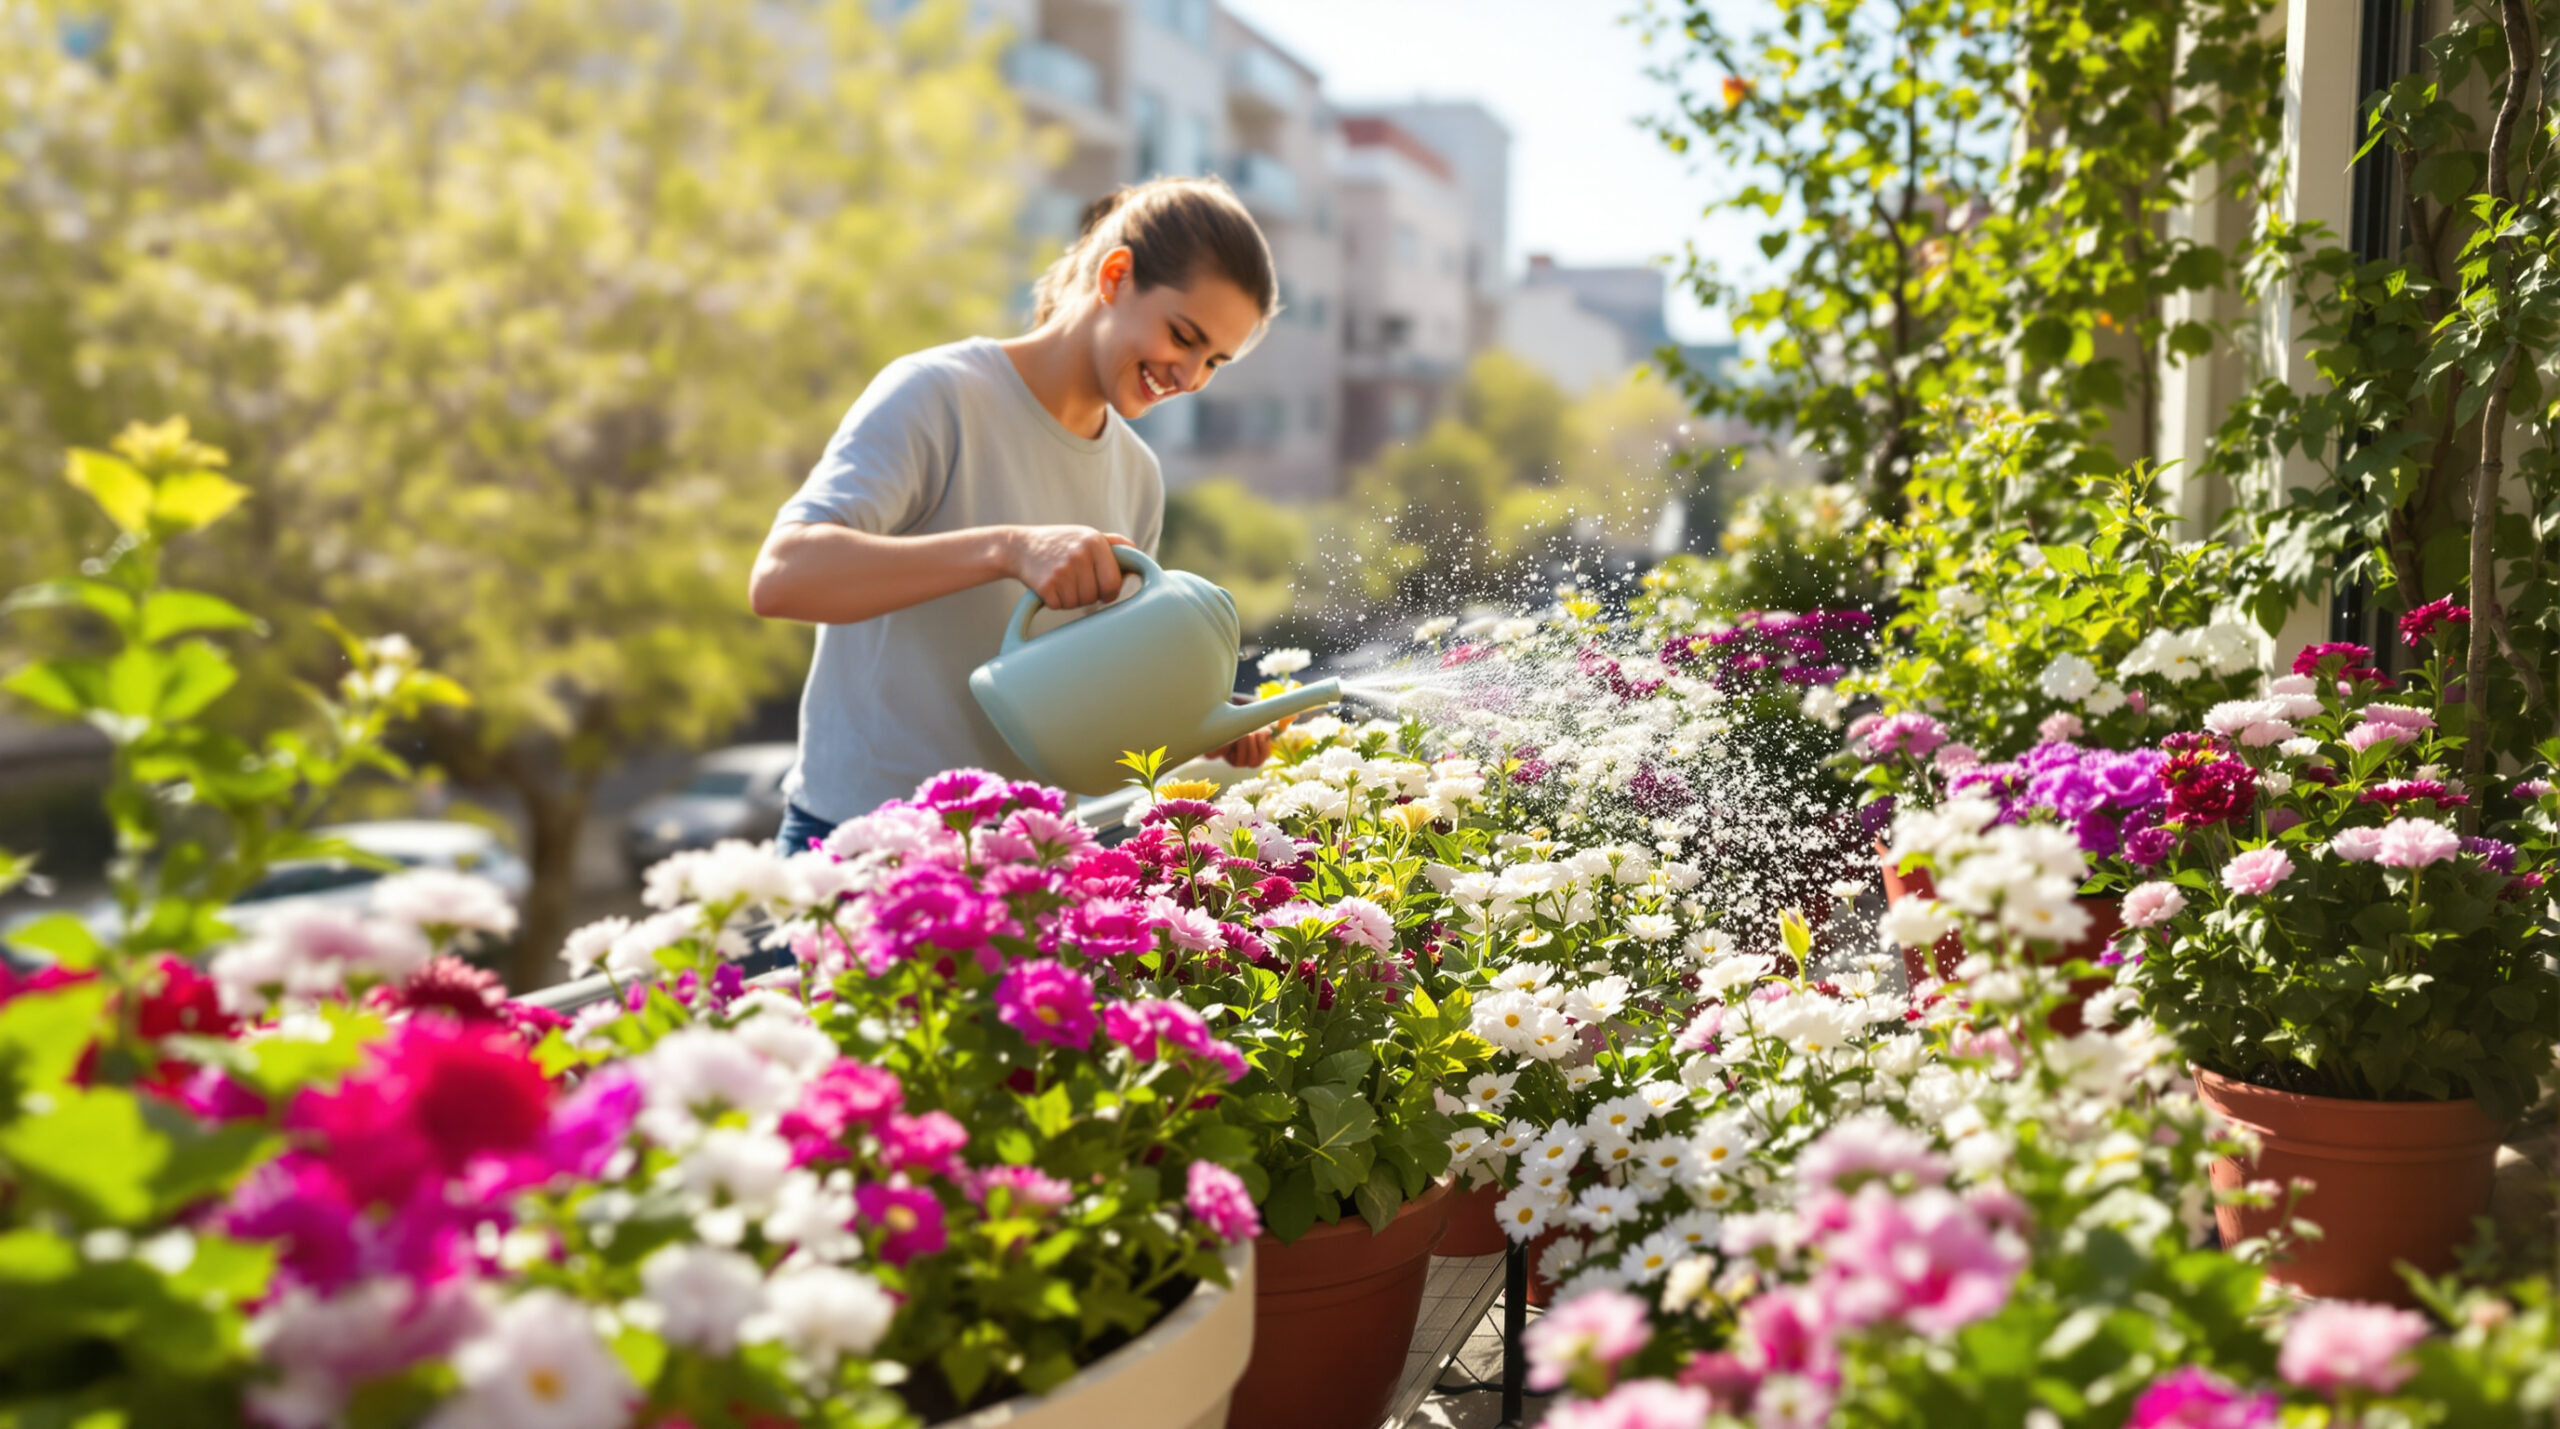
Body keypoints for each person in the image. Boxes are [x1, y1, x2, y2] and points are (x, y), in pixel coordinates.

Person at [749, 176, 1283, 853]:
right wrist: (1009, 548)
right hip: (864, 851)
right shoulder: (938, 396)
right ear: (1116, 276)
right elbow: (782, 576)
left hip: (1026, 865)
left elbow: (1084, 706)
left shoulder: (1138, 476)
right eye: (1184, 336)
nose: (1189, 378)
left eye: (1214, 362)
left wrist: (1196, 724)